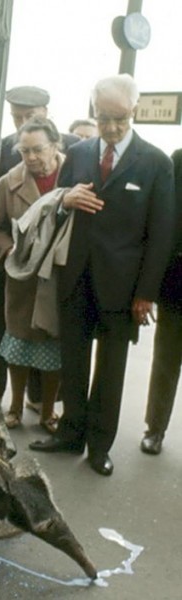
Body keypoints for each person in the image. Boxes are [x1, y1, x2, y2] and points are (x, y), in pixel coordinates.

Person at [29, 74, 175, 476]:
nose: (110, 127)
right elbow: (53, 207)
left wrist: (146, 293)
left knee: (111, 370)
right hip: (75, 276)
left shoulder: (156, 162)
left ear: (135, 111)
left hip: (124, 288)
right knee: (72, 361)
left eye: (120, 118)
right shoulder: (78, 152)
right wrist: (65, 200)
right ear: (93, 110)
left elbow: (161, 235)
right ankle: (70, 433)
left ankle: (99, 445)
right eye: (103, 117)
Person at [0, 117, 64, 434]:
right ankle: (15, 407)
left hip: (58, 278)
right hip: (21, 279)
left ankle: (49, 412)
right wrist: (8, 251)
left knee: (53, 346)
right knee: (17, 344)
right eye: (24, 151)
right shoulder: (9, 183)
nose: (31, 158)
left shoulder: (73, 175)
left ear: (55, 145)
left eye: (38, 150)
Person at [140, 147, 182, 455]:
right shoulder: (178, 160)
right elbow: (165, 218)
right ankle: (155, 429)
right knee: (167, 360)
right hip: (178, 281)